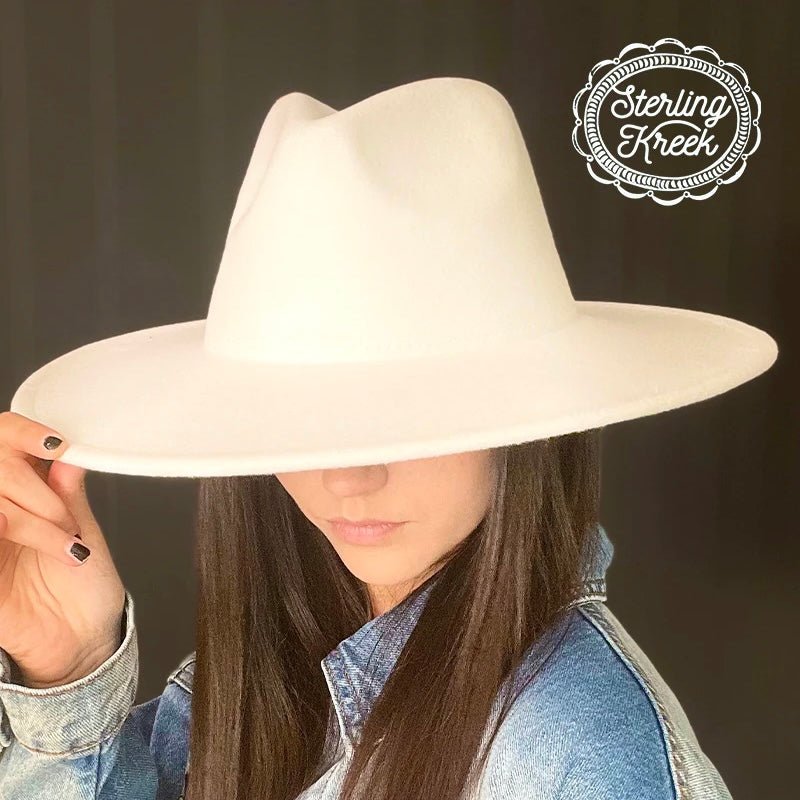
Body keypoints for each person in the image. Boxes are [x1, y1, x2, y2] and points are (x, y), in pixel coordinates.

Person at [0, 76, 778, 800]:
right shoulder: (254, 683)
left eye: (413, 417)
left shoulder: (582, 758)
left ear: (526, 423)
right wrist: (68, 668)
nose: (347, 476)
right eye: (299, 419)